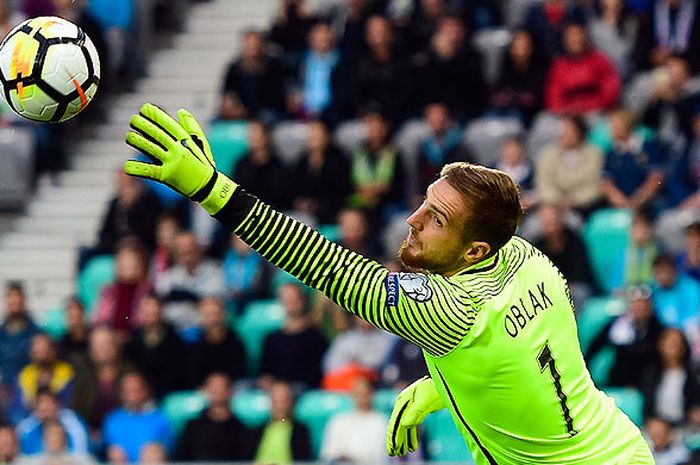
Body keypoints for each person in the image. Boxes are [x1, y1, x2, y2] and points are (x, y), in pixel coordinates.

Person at [123, 103, 655, 464]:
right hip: (621, 446)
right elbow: (531, 360)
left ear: (474, 251)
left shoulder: (454, 310)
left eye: (436, 219)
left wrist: (215, 190)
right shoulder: (525, 256)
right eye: (425, 200)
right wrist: (442, 387)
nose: (413, 219)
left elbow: (324, 265)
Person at [586, 285, 665, 389]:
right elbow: (594, 347)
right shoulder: (618, 325)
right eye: (636, 303)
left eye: (643, 303)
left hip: (647, 385)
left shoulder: (658, 329)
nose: (639, 307)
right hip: (618, 382)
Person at [259, 283, 328, 389]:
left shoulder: (316, 337)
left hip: (302, 390)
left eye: (295, 299)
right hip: (276, 391)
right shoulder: (271, 339)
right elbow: (265, 372)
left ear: (303, 300)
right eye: (287, 299)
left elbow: (315, 375)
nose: (291, 303)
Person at [174, 373, 252, 461]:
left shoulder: (241, 430)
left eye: (221, 387)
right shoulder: (192, 427)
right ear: (206, 390)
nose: (218, 391)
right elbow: (180, 459)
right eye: (214, 388)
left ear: (230, 391)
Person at [123, 293, 186, 398]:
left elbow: (178, 371)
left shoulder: (174, 338)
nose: (151, 313)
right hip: (139, 392)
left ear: (161, 311)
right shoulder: (133, 339)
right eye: (147, 310)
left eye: (154, 309)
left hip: (168, 393)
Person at [102, 372, 174, 464]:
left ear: (146, 390)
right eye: (128, 390)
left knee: (153, 452)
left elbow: (170, 447)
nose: (132, 395)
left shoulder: (162, 417)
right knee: (115, 452)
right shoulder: (112, 419)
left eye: (136, 389)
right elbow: (103, 449)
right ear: (121, 393)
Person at [320, 376, 387, 462]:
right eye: (357, 393)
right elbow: (327, 453)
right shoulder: (338, 420)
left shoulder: (381, 422)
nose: (360, 398)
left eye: (364, 393)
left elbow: (379, 455)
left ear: (371, 394)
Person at [187, 297, 247, 388]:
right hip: (204, 389)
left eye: (216, 314)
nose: (213, 320)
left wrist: (221, 384)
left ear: (223, 315)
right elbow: (192, 373)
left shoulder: (235, 341)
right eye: (208, 315)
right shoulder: (194, 343)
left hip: (230, 388)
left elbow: (239, 371)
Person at [15, 389, 89, 456]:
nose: (45, 407)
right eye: (41, 403)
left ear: (58, 406)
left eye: (49, 403)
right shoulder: (25, 428)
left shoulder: (73, 423)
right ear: (35, 408)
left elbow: (82, 454)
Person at [252, 381, 311, 463]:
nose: (279, 406)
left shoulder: (300, 431)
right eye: (276, 400)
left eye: (283, 400)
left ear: (291, 402)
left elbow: (303, 460)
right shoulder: (256, 431)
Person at [17, 335, 74, 411]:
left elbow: (66, 399)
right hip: (33, 416)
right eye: (37, 351)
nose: (41, 352)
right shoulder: (26, 374)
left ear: (53, 350)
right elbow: (23, 403)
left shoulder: (66, 370)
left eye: (44, 349)